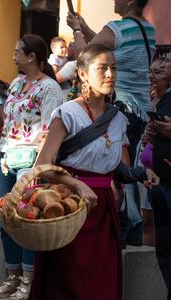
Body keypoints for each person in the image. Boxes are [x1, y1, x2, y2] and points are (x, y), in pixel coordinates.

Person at [29, 44, 158, 300]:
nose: (110, 74)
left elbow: (115, 169)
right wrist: (77, 185)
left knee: (101, 280)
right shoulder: (67, 114)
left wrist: (143, 174)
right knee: (70, 280)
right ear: (83, 74)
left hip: (105, 210)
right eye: (102, 68)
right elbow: (42, 165)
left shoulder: (118, 119)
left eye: (114, 68)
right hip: (69, 207)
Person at [67, 0, 156, 248]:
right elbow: (108, 45)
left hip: (123, 109)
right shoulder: (146, 28)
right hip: (143, 111)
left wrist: (76, 31)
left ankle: (130, 221)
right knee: (126, 166)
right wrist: (83, 24)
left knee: (117, 167)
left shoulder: (117, 27)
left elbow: (88, 57)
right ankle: (133, 222)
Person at [0, 34, 63, 300]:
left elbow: (49, 131)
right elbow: (8, 121)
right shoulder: (18, 83)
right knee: (6, 218)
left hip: (31, 162)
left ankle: (29, 281)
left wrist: (38, 169)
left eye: (17, 51)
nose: (13, 55)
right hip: (8, 160)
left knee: (28, 220)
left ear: (32, 57)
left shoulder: (50, 89)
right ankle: (12, 276)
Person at [145, 53, 171, 299]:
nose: (163, 65)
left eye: (168, 61)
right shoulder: (164, 99)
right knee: (164, 246)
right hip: (161, 181)